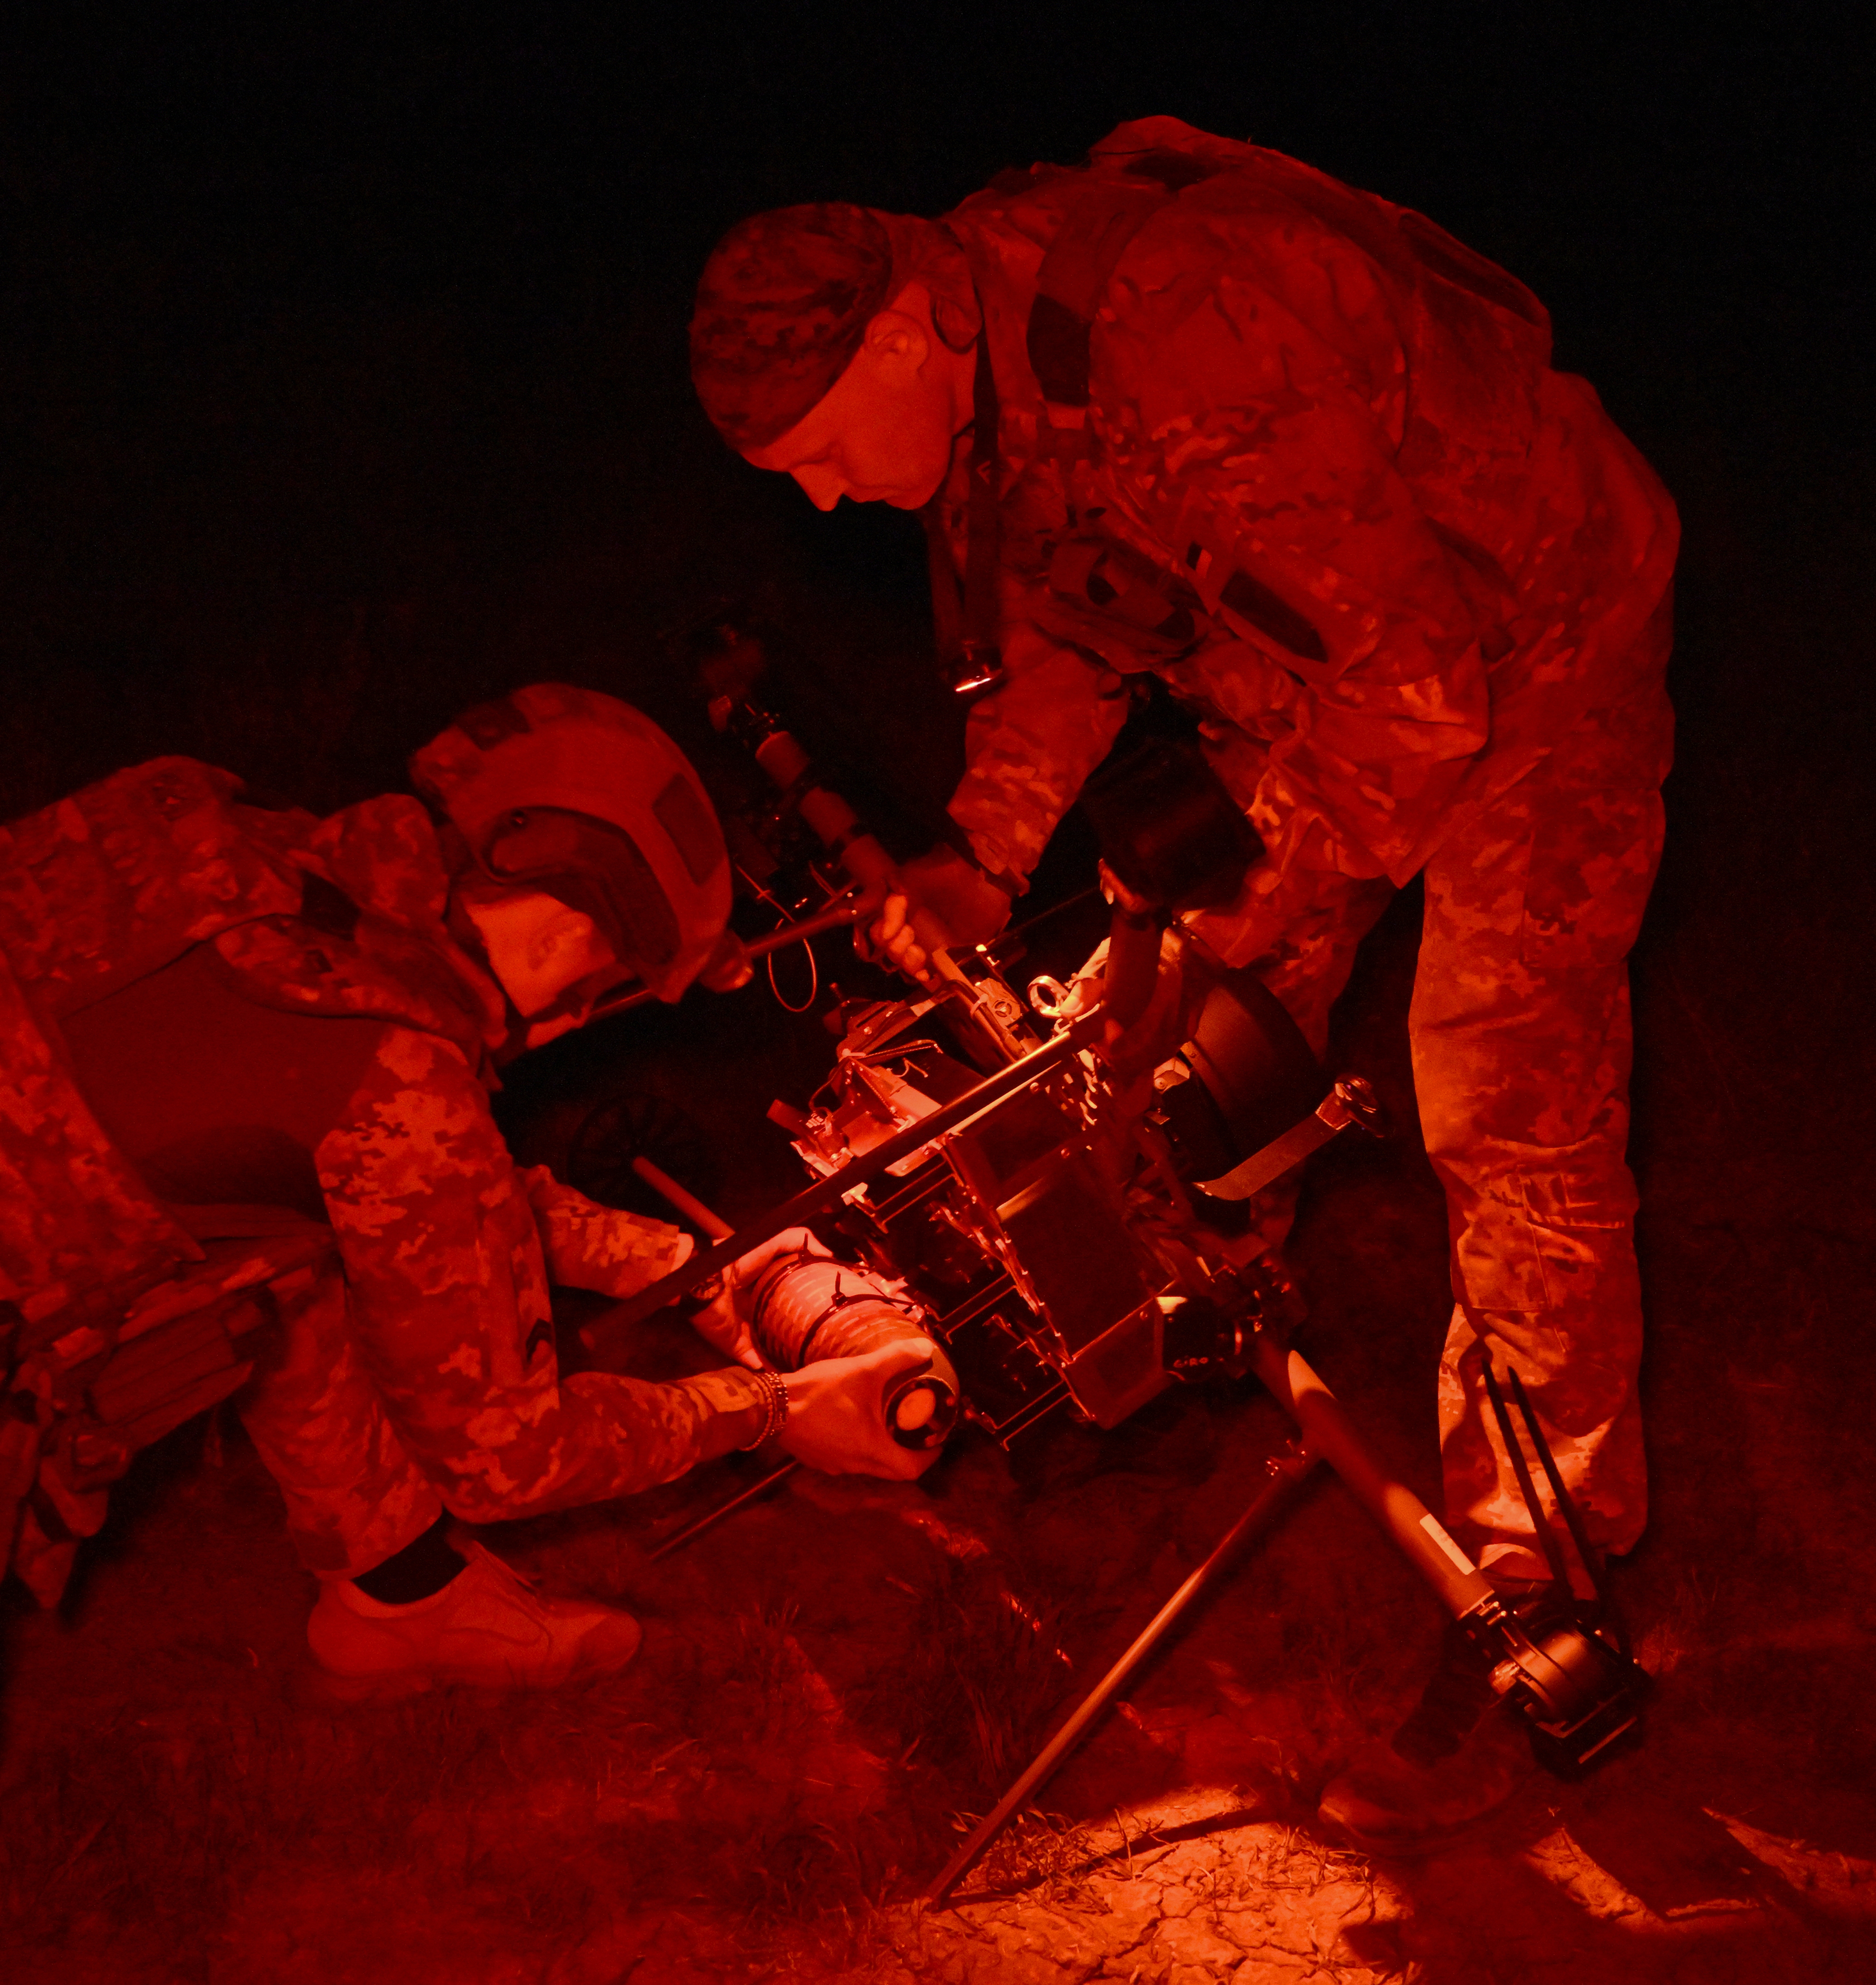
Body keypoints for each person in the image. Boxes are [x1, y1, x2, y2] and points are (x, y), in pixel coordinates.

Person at [0, 683, 935, 1983]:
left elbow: (396, 1189)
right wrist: (769, 1408)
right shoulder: (389, 1073)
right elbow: (506, 1448)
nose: (587, 1017)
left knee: (270, 1265)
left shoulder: (234, 853)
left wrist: (691, 1264)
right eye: (608, 987)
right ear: (572, 925)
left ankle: (395, 1598)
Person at [691, 117, 1677, 1843]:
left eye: (826, 450)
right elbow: (1073, 617)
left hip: (1536, 638)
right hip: (1347, 660)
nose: (828, 498)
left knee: (1504, 1093)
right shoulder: (991, 367)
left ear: (905, 335)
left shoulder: (1186, 334)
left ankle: (1543, 1579)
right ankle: (1174, 1347)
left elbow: (1419, 703)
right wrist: (987, 847)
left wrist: (1203, 899)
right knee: (1125, 1042)